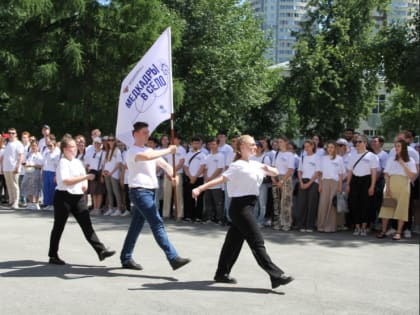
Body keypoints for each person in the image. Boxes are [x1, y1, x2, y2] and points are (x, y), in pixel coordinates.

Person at [192, 135, 293, 288]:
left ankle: (221, 274)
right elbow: (221, 179)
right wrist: (200, 188)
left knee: (232, 244)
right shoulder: (237, 165)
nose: (255, 146)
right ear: (242, 147)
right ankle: (276, 275)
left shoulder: (254, 164)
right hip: (240, 208)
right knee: (257, 241)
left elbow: (275, 171)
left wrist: (268, 169)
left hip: (248, 207)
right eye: (252, 144)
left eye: (255, 144)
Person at [120, 122, 190, 271]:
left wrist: (172, 174)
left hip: (150, 191)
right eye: (144, 132)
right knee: (157, 223)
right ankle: (173, 258)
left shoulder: (149, 150)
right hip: (139, 191)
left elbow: (165, 165)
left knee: (136, 227)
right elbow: (147, 157)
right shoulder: (132, 151)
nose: (147, 135)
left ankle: (126, 257)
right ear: (135, 134)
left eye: (148, 132)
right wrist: (168, 150)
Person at [48, 136, 115, 265]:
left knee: (87, 225)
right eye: (71, 147)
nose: (75, 149)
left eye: (75, 146)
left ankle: (101, 251)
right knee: (59, 226)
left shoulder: (77, 162)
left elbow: (82, 174)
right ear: (65, 149)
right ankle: (53, 255)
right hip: (64, 197)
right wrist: (85, 177)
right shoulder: (63, 162)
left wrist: (84, 183)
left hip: (77, 197)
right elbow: (66, 181)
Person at [376, 140, 417, 240]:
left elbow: (412, 175)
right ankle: (383, 231)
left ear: (404, 148)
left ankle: (398, 232)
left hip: (404, 186)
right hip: (391, 185)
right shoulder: (391, 160)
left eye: (399, 146)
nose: (396, 148)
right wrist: (388, 187)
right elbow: (387, 174)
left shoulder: (410, 160)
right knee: (387, 208)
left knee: (402, 209)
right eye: (395, 146)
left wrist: (403, 163)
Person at [347, 135, 378, 236]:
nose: (357, 144)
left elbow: (374, 172)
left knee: (366, 204)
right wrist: (347, 184)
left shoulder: (372, 156)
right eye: (356, 142)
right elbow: (350, 172)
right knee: (354, 204)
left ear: (365, 143)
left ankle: (364, 227)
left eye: (360, 142)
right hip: (355, 181)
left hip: (366, 180)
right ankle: (357, 227)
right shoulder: (352, 156)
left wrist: (372, 186)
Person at [317, 141, 345, 232]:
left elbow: (341, 174)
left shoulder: (339, 159)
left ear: (335, 148)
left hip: (335, 183)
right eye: (328, 147)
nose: (330, 149)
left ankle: (330, 227)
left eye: (332, 147)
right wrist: (320, 185)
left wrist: (340, 186)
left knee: (332, 205)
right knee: (323, 204)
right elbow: (320, 173)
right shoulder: (322, 158)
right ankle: (321, 226)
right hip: (324, 182)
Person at [296, 139, 321, 232]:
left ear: (313, 146)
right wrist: (301, 182)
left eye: (308, 146)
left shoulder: (317, 157)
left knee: (311, 204)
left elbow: (317, 172)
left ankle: (310, 226)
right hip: (303, 181)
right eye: (305, 146)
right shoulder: (303, 157)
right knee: (302, 204)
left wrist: (309, 183)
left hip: (313, 182)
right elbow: (299, 171)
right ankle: (301, 225)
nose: (306, 148)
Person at [271, 136, 295, 231]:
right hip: (276, 177)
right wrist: (273, 178)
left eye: (281, 142)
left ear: (286, 142)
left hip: (286, 179)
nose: (279, 144)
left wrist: (282, 180)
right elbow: (273, 167)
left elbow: (290, 170)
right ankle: (278, 222)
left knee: (286, 201)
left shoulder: (290, 155)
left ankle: (286, 223)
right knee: (276, 201)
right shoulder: (276, 154)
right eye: (278, 142)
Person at [183, 136, 206, 222]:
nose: (195, 144)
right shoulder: (188, 154)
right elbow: (185, 167)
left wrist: (195, 176)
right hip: (189, 178)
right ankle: (189, 215)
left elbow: (202, 167)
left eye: (197, 143)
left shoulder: (203, 155)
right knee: (189, 197)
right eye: (194, 143)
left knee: (199, 198)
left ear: (200, 144)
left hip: (199, 178)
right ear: (191, 144)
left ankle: (198, 216)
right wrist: (190, 176)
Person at [202, 137, 225, 224]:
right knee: (208, 201)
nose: (212, 146)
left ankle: (219, 219)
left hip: (217, 183)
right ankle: (209, 218)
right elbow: (205, 168)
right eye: (210, 144)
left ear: (218, 145)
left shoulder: (221, 156)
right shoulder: (208, 156)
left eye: (214, 144)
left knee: (218, 202)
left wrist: (210, 178)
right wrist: (206, 177)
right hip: (208, 183)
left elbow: (219, 169)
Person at [2, 128, 24, 209]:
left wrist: (18, 166)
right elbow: (5, 156)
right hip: (6, 168)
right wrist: (2, 168)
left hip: (14, 167)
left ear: (16, 134)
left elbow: (21, 156)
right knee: (9, 185)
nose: (11, 134)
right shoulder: (7, 144)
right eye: (9, 133)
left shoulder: (18, 144)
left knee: (15, 185)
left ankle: (16, 202)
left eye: (13, 133)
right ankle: (11, 201)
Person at [102, 135, 123, 216]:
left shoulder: (117, 150)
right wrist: (103, 171)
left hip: (114, 174)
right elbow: (105, 163)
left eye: (112, 140)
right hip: (107, 173)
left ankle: (119, 209)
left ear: (114, 141)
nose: (110, 141)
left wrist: (112, 172)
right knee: (109, 192)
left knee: (116, 191)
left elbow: (119, 163)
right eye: (109, 140)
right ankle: (111, 208)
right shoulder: (107, 151)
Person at [21, 140, 43, 210]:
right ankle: (31, 202)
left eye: (35, 146)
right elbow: (24, 162)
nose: (33, 147)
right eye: (32, 146)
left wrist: (31, 165)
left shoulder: (39, 155)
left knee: (36, 187)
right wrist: (25, 164)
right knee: (28, 187)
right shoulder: (29, 154)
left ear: (37, 147)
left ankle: (36, 203)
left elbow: (40, 165)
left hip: (35, 172)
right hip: (28, 172)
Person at [42, 139, 60, 210]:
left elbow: (57, 166)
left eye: (51, 145)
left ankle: (53, 204)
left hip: (53, 172)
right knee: (46, 188)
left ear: (54, 146)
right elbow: (44, 164)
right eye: (48, 146)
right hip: (46, 171)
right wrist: (42, 172)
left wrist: (56, 175)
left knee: (52, 188)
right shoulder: (46, 153)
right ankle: (47, 203)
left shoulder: (57, 155)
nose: (49, 147)